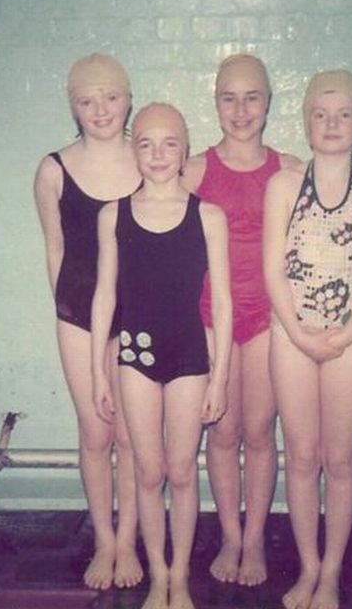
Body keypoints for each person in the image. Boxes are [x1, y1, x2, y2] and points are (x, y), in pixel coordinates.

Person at [263, 69, 352, 609]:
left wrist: (345, 333)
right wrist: (300, 333)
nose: (332, 123)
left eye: (344, 114)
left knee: (340, 461)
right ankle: (308, 568)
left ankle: (332, 574)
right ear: (307, 123)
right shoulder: (283, 186)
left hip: (350, 340)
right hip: (290, 337)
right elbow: (272, 270)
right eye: (321, 114)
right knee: (300, 457)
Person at [92, 102, 232, 609]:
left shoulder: (208, 216)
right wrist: (98, 372)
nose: (157, 154)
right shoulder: (114, 215)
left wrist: (220, 378)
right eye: (146, 144)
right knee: (148, 473)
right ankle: (157, 576)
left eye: (169, 143)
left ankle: (180, 578)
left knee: (182, 471)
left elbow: (223, 302)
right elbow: (105, 295)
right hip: (135, 356)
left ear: (184, 149)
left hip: (190, 356)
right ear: (134, 151)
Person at [182, 53, 301, 586]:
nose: (241, 109)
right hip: (212, 320)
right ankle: (230, 535)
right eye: (229, 98)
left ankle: (254, 541)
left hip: (269, 321)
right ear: (216, 103)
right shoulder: (194, 171)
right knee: (223, 431)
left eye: (252, 97)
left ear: (269, 103)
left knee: (258, 432)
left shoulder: (290, 169)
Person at [34, 53, 143, 590]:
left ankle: (129, 540)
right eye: (87, 100)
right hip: (79, 313)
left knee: (131, 433)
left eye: (111, 97)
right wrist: (74, 314)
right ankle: (104, 538)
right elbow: (55, 251)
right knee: (96, 432)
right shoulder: (53, 169)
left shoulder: (148, 158)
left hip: (140, 313)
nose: (101, 109)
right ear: (73, 107)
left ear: (129, 99)